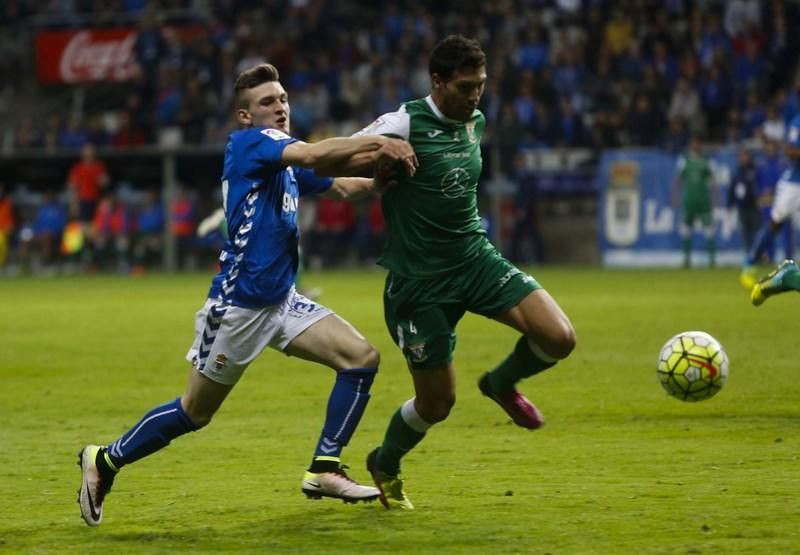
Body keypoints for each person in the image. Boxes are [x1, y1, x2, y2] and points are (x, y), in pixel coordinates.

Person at [77, 62, 418, 527]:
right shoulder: (251, 144)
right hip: (238, 306)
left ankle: (324, 468)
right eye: (267, 102)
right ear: (244, 116)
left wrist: (378, 182)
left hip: (281, 300)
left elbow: (337, 182)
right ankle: (105, 460)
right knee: (194, 413)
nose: (279, 108)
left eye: (282, 99)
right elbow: (320, 156)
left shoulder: (284, 155)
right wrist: (383, 141)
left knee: (361, 358)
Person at [351, 35, 576, 510]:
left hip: (475, 259)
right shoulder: (402, 121)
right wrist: (379, 148)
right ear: (438, 81)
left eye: (482, 85)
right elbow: (343, 154)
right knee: (437, 405)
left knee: (559, 337)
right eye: (466, 85)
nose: (476, 95)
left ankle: (500, 383)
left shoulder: (475, 121)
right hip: (419, 286)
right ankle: (385, 462)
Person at [749, 113, 800, 304]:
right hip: (794, 184)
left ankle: (789, 278)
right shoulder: (797, 122)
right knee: (775, 223)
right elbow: (790, 149)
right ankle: (752, 262)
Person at [672, 135, 717, 268]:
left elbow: (712, 180)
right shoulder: (684, 159)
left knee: (709, 230)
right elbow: (678, 180)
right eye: (693, 143)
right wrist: (675, 197)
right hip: (689, 200)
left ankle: (712, 261)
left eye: (697, 143)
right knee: (686, 230)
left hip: (703, 200)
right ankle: (686, 260)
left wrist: (716, 198)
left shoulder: (705, 159)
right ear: (690, 144)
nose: (695, 145)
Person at [727, 148, 760, 254]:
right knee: (745, 233)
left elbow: (759, 186)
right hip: (742, 207)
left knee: (756, 232)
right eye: (742, 156)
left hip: (754, 206)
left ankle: (759, 254)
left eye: (746, 156)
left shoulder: (754, 170)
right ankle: (749, 255)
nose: (744, 158)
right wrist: (730, 204)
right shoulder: (737, 172)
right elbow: (732, 189)